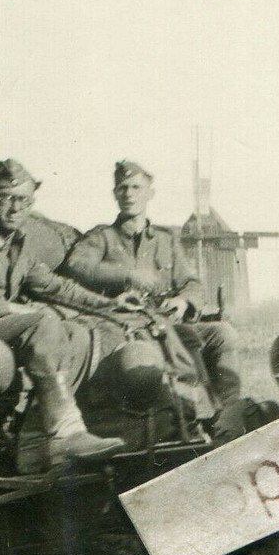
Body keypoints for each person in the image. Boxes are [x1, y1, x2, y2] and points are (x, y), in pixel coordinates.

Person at [0, 159, 136, 468]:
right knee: (44, 323)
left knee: (78, 333)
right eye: (5, 198)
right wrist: (11, 308)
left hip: (6, 339)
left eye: (23, 200)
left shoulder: (20, 245)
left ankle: (37, 442)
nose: (14, 208)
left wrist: (111, 305)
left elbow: (56, 287)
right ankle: (66, 434)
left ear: (31, 203)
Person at [61, 160, 242, 406]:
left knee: (222, 334)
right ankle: (191, 415)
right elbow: (77, 265)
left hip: (166, 322)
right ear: (115, 194)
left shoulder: (166, 241)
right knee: (174, 354)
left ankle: (228, 413)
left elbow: (192, 283)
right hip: (124, 330)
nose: (129, 194)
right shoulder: (102, 237)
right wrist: (127, 274)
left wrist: (183, 301)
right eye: (123, 188)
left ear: (150, 193)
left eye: (136, 187)